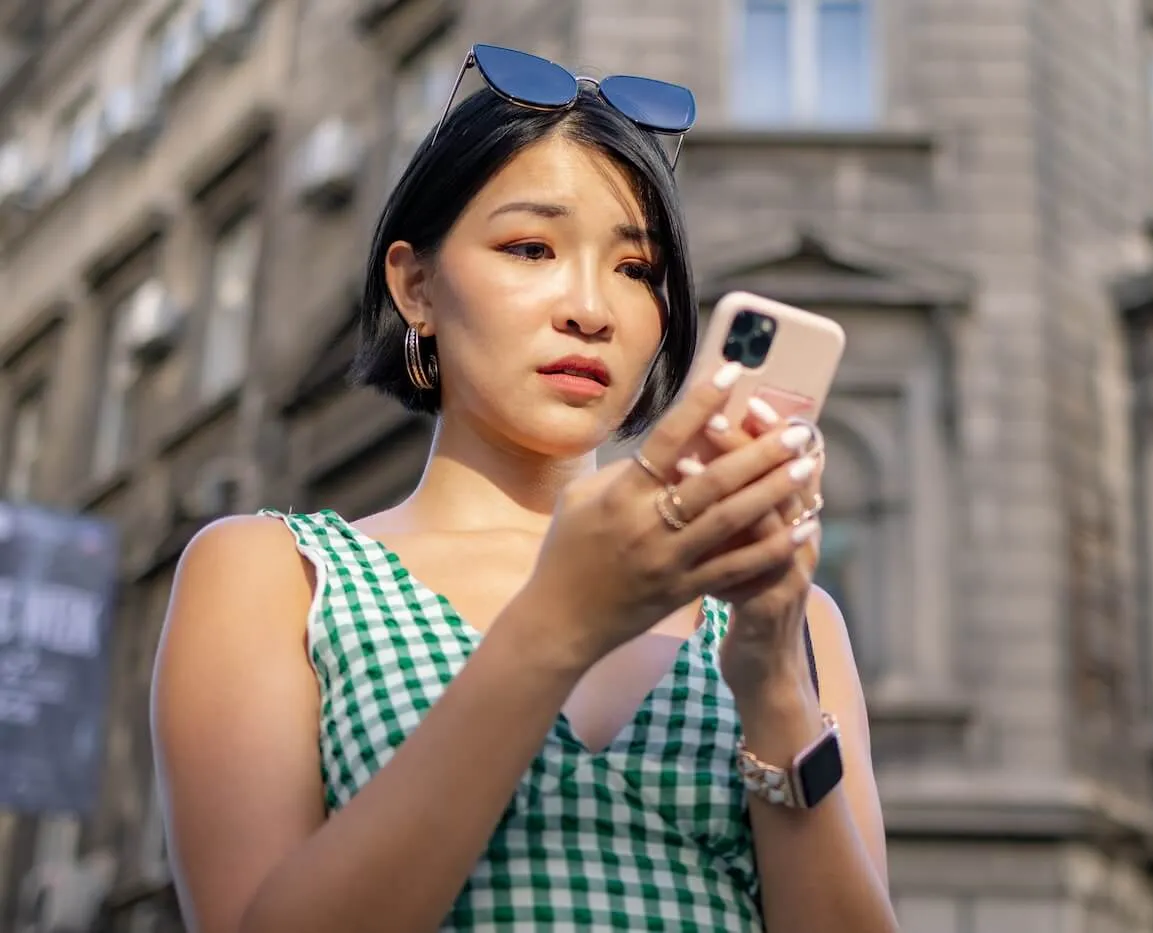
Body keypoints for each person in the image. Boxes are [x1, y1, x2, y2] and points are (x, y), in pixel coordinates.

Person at [151, 44, 896, 933]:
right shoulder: (277, 573)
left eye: (636, 269)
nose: (591, 306)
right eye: (530, 247)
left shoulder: (791, 618)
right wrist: (557, 625)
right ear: (415, 285)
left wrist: (773, 682)